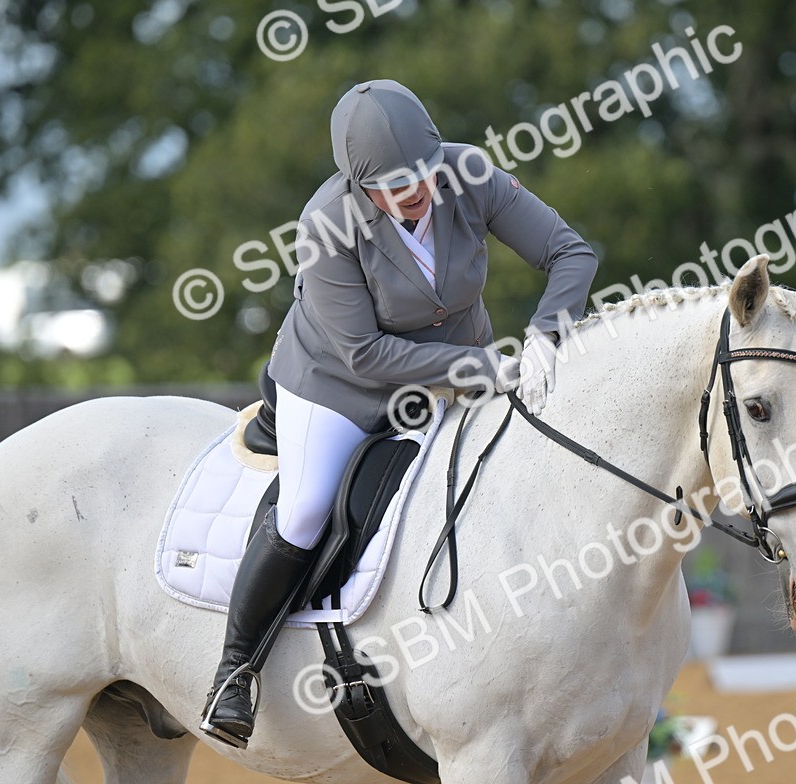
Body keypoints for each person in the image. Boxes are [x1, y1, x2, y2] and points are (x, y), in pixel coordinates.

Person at [199, 79, 599, 747]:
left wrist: (546, 333)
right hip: (337, 384)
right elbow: (364, 354)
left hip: (468, 366)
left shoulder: (470, 174)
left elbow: (570, 252)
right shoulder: (327, 224)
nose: (415, 190)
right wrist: (483, 368)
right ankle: (235, 671)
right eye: (394, 183)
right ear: (360, 186)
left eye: (422, 171)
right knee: (304, 507)